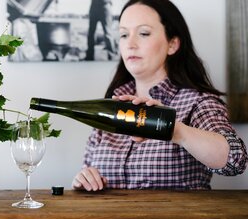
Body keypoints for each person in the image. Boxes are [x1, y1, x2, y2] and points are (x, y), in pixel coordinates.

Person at [72, 0, 247, 190]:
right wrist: (85, 180)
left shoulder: (198, 102)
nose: (130, 44)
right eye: (123, 34)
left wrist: (174, 130)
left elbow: (235, 161)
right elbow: (88, 170)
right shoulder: (111, 104)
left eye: (144, 33)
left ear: (172, 44)